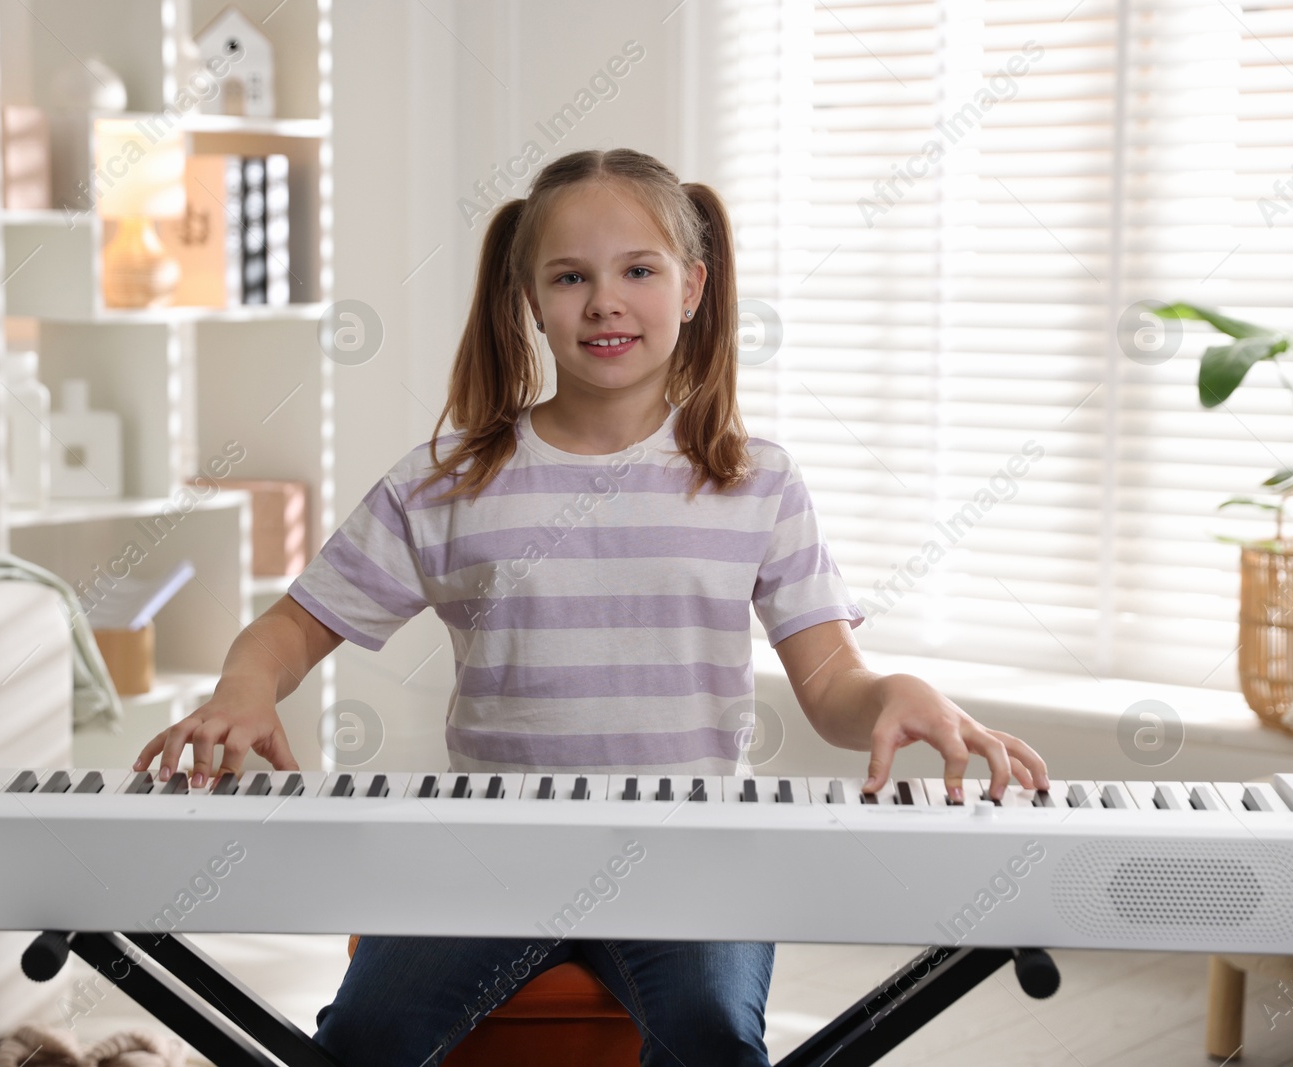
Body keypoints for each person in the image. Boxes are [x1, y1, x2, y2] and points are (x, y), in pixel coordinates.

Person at [132, 147, 1050, 1067]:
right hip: (488, 852)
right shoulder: (450, 481)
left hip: (691, 857)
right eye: (570, 277)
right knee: (365, 1039)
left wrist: (894, 691)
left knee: (716, 1036)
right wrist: (244, 688)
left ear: (692, 287)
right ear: (531, 300)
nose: (604, 301)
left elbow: (833, 683)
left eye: (638, 271)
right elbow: (293, 624)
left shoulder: (755, 479)